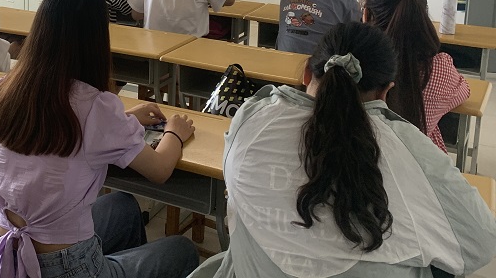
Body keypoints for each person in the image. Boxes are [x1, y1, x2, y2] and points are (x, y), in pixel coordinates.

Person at [188, 22, 496, 278]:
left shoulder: (253, 118)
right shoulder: (410, 149)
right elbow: (480, 243)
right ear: (386, 92)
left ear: (306, 73)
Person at [0, 0, 200, 278]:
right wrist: (174, 132)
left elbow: (64, 127)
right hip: (66, 267)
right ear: (96, 41)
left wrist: (124, 119)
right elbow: (160, 169)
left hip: (5, 248)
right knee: (182, 251)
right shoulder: (96, 107)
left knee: (123, 206)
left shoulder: (8, 89)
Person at [360, 0, 470, 152]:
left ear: (366, 15)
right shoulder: (439, 69)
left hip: (361, 163)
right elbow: (464, 91)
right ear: (421, 16)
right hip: (419, 164)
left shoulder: (350, 65)